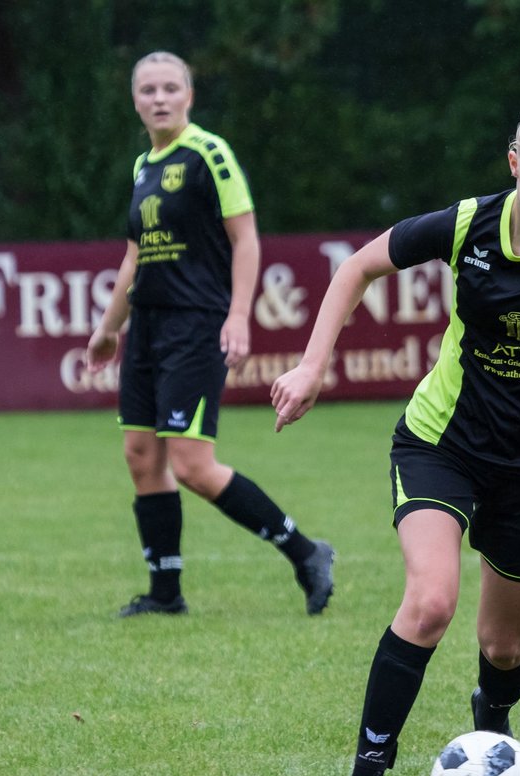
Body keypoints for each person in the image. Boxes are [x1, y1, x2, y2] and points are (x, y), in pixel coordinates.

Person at [270, 84, 520, 776]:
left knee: (503, 644)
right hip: (441, 442)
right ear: (514, 165)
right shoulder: (468, 225)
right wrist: (313, 367)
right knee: (431, 600)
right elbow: (355, 269)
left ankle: (494, 722)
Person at [86, 51, 334, 619]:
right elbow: (134, 258)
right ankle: (165, 593)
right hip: (146, 328)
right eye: (148, 89)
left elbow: (245, 240)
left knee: (193, 465)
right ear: (135, 101)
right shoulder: (142, 167)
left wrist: (239, 315)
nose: (159, 98)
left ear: (189, 96)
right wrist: (107, 330)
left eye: (170, 87)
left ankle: (306, 552)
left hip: (195, 324)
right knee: (141, 455)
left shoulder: (208, 153)